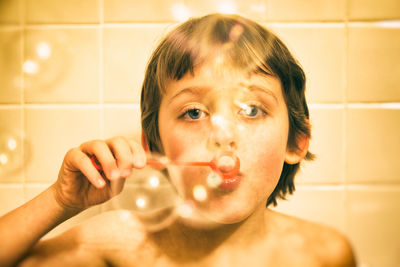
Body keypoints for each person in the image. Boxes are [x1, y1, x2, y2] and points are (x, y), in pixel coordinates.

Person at [0, 13, 356, 266]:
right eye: (194, 112)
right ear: (155, 145)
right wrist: (59, 200)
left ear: (296, 142)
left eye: (251, 109)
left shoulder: (324, 253)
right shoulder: (115, 244)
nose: (222, 134)